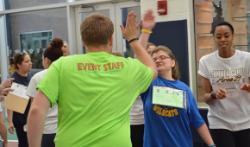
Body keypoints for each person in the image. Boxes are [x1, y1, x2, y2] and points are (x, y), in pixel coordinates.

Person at [27, 10, 157, 147]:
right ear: (111, 39)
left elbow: (36, 111)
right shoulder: (128, 67)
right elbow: (152, 69)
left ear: (83, 40)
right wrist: (133, 39)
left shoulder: (62, 66)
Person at [141, 45, 215, 147]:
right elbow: (139, 61)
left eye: (162, 57)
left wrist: (211, 145)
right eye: (154, 59)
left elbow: (197, 121)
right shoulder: (148, 84)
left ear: (173, 62)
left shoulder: (184, 89)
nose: (158, 60)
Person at [198, 21, 250, 147]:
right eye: (218, 36)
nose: (223, 40)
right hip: (219, 121)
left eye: (226, 36)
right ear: (214, 38)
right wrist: (214, 95)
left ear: (233, 36)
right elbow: (204, 97)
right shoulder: (206, 61)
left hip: (246, 120)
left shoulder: (247, 58)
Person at [26, 38, 64, 147]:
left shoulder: (38, 77)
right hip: (65, 129)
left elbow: (34, 108)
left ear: (46, 60)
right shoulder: (69, 75)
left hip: (45, 130)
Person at [129, 10, 156, 147]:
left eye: (153, 53)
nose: (149, 56)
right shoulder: (137, 72)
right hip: (135, 122)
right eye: (147, 52)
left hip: (153, 122)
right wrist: (145, 31)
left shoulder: (160, 75)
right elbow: (139, 57)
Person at [7, 52, 32, 147]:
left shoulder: (30, 76)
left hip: (30, 117)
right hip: (20, 120)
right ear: (18, 65)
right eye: (27, 61)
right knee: (24, 144)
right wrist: (10, 122)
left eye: (30, 60)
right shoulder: (13, 80)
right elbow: (10, 104)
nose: (30, 63)